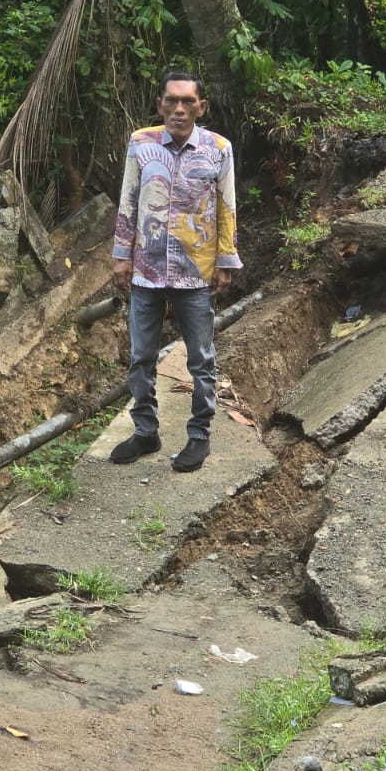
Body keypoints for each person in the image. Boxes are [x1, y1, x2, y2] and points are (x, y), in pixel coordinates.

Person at [108, 71, 242, 473]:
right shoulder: (141, 144)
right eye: (171, 101)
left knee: (201, 360)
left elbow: (226, 208)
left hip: (196, 272)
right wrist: (121, 255)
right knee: (140, 356)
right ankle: (145, 432)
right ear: (160, 104)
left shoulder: (219, 149)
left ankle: (199, 436)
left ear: (201, 107)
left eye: (187, 102)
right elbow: (128, 201)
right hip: (146, 269)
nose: (179, 109)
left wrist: (225, 261)